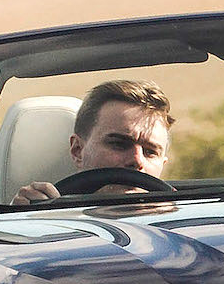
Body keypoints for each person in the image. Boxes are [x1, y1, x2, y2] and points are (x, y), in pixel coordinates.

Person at [13, 79, 174, 203]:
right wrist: (22, 221)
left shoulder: (187, 229)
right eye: (119, 144)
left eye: (151, 152)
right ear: (77, 150)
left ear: (163, 164)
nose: (137, 160)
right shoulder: (43, 221)